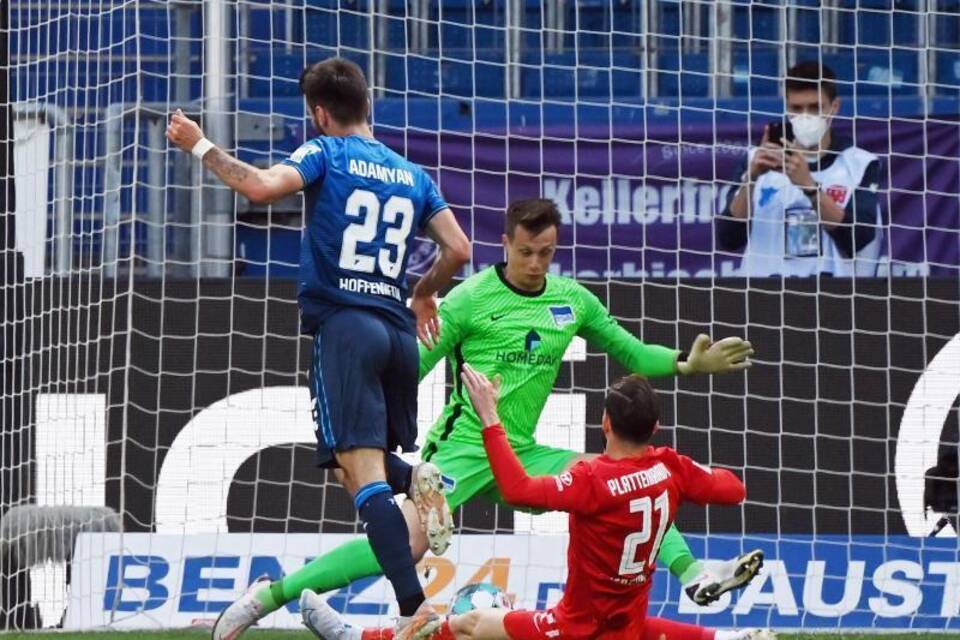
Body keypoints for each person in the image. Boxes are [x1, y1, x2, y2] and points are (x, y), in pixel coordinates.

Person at [231, 197, 760, 635]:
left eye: (546, 253)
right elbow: (411, 368)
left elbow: (633, 354)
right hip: (461, 448)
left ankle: (693, 575)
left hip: (521, 450)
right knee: (406, 544)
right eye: (526, 251)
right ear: (505, 244)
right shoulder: (468, 299)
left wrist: (686, 364)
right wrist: (367, 422)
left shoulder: (572, 301)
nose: (535, 263)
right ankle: (270, 596)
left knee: (629, 481)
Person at [166, 57, 470, 640]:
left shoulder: (323, 152)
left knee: (362, 478)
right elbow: (457, 246)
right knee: (351, 469)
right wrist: (426, 294)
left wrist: (200, 144)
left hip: (346, 330)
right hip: (398, 335)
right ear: (369, 105)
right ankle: (415, 481)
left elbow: (258, 187)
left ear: (320, 113)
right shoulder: (412, 173)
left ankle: (414, 609)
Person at [300, 368, 775, 640]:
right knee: (634, 629)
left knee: (468, 623)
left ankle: (357, 638)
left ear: (604, 423)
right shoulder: (670, 467)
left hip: (574, 627)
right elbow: (733, 490)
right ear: (654, 429)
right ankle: (730, 635)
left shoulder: (592, 479)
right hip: (621, 621)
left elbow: (519, 490)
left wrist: (490, 418)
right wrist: (699, 473)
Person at [715, 61, 883, 277]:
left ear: (834, 107)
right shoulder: (755, 160)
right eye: (796, 108)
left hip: (832, 301)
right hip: (764, 301)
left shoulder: (859, 164)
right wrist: (752, 179)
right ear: (786, 108)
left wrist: (809, 186)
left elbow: (857, 239)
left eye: (815, 108)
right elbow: (728, 240)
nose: (805, 116)